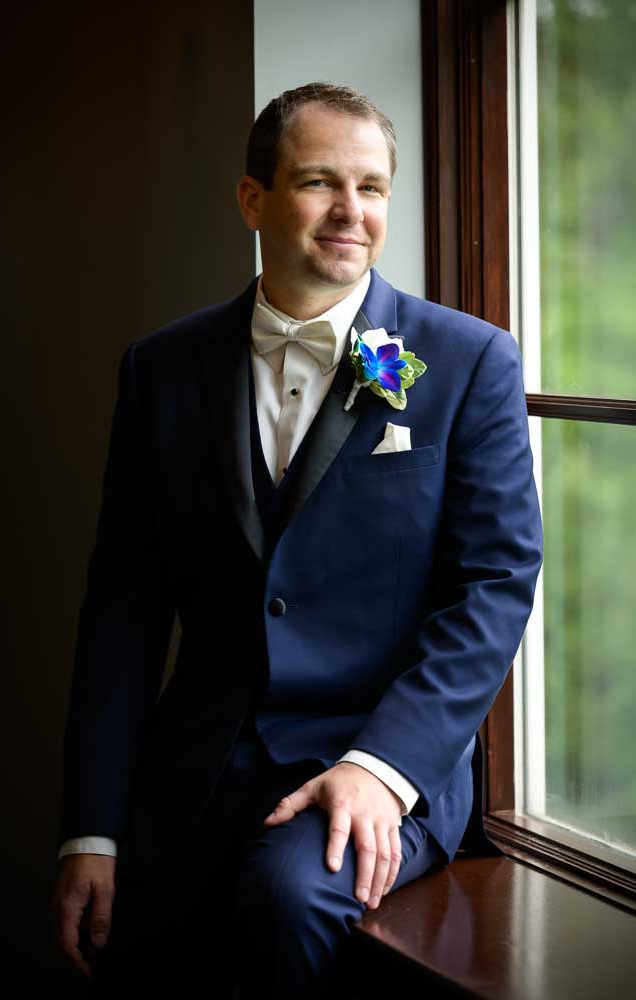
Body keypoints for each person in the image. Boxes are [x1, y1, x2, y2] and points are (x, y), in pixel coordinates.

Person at [50, 81, 543, 997]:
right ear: (253, 199)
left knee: (287, 901)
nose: (351, 213)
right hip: (197, 764)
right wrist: (93, 828)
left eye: (372, 187)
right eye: (320, 182)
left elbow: (497, 582)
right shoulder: (161, 369)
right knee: (126, 936)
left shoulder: (469, 360)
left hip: (373, 755)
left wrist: (381, 766)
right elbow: (122, 608)